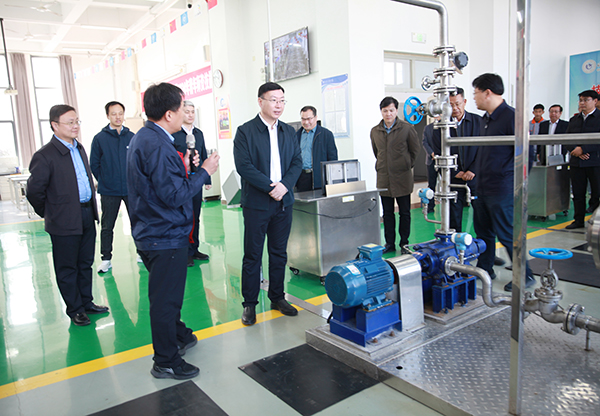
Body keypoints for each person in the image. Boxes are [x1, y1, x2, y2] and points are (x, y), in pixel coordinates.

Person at [127, 83, 219, 380]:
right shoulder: (156, 145)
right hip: (163, 234)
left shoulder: (148, 138)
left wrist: (186, 168)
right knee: (165, 301)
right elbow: (175, 195)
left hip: (154, 229)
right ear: (169, 114)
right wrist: (204, 171)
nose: (186, 114)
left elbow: (162, 184)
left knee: (168, 294)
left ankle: (178, 334)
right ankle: (166, 360)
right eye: (182, 108)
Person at [27, 105, 109, 326]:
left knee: (85, 263)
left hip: (86, 213)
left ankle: (87, 302)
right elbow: (34, 192)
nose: (75, 126)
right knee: (67, 267)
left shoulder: (79, 148)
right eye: (70, 122)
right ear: (55, 125)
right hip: (63, 219)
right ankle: (75, 309)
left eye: (77, 121)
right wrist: (51, 212)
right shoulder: (45, 155)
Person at [233, 82, 302, 326]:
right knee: (252, 255)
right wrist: (271, 187)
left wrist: (285, 186)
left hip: (284, 202)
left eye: (282, 100)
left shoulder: (289, 131)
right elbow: (244, 166)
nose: (278, 105)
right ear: (260, 101)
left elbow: (297, 162)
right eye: (273, 100)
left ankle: (277, 297)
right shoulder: (245, 131)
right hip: (257, 203)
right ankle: (250, 304)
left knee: (279, 253)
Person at [470, 73, 535, 292]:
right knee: (484, 233)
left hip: (502, 189)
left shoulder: (512, 117)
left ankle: (524, 276)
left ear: (487, 93)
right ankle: (485, 269)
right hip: (483, 187)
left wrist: (511, 182)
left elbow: (528, 155)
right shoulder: (485, 120)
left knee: (507, 233)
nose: (474, 98)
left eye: (476, 93)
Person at [371, 96, 420, 254]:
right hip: (384, 178)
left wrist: (406, 164)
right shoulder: (375, 131)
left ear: (396, 111)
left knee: (404, 213)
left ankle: (404, 243)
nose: (388, 114)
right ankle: (389, 243)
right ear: (381, 111)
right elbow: (377, 152)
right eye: (385, 111)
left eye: (391, 110)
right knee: (387, 213)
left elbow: (415, 150)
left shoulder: (407, 128)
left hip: (402, 178)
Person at [90, 101, 135, 274]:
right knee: (107, 226)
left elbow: (138, 161)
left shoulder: (132, 137)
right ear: (107, 116)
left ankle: (141, 252)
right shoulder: (100, 139)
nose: (118, 117)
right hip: (109, 191)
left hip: (131, 189)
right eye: (114, 114)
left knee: (138, 222)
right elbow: (94, 164)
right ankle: (106, 259)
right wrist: (105, 180)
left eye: (120, 113)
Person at [173, 100, 212, 266]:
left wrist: (207, 178)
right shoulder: (175, 134)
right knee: (184, 217)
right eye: (186, 111)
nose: (190, 115)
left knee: (196, 216)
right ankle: (185, 251)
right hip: (181, 182)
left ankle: (194, 248)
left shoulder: (198, 133)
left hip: (196, 180)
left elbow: (203, 155)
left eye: (192, 112)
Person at [563, 90, 600, 229]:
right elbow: (566, 139)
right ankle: (578, 220)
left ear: (595, 101)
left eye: (586, 100)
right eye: (580, 100)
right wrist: (576, 150)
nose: (582, 103)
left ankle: (596, 222)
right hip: (576, 162)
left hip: (595, 162)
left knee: (597, 193)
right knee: (578, 193)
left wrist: (583, 149)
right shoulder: (574, 120)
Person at [448, 87, 480, 232]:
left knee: (481, 214)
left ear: (465, 102)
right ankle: (455, 242)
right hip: (454, 178)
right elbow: (439, 152)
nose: (455, 108)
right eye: (451, 105)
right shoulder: (442, 126)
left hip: (476, 176)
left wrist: (473, 170)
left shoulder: (478, 122)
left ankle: (482, 242)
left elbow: (484, 149)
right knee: (453, 216)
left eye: (458, 104)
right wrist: (455, 172)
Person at [294, 105, 338, 191]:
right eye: (303, 119)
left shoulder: (326, 134)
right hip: (300, 178)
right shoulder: (296, 135)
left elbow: (333, 160)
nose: (306, 122)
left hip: (319, 179)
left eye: (309, 119)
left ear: (316, 118)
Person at [422, 120, 437, 213]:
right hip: (431, 161)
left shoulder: (448, 126)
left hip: (444, 161)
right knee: (431, 184)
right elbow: (424, 142)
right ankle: (430, 206)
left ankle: (451, 205)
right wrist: (432, 153)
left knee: (448, 184)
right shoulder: (428, 128)